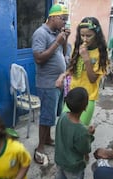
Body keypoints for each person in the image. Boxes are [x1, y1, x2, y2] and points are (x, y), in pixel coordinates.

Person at [31, 3, 70, 164]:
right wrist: (57, 42)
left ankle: (47, 138)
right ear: (53, 17)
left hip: (59, 82)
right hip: (47, 83)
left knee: (52, 114)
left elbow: (65, 53)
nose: (64, 23)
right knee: (46, 116)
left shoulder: (56, 33)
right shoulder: (40, 33)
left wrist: (64, 40)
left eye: (66, 20)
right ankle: (39, 149)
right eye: (63, 19)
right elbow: (39, 58)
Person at [55, 87, 95, 179]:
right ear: (85, 107)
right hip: (74, 165)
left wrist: (85, 132)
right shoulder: (81, 131)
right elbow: (85, 149)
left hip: (60, 160)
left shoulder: (61, 117)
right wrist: (89, 135)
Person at [64, 17, 108, 126]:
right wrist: (62, 76)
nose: (85, 39)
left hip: (87, 98)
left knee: (79, 129)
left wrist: (86, 58)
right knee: (64, 125)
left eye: (89, 36)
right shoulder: (77, 47)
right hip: (72, 93)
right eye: (82, 35)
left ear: (96, 35)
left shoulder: (101, 53)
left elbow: (93, 79)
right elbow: (72, 68)